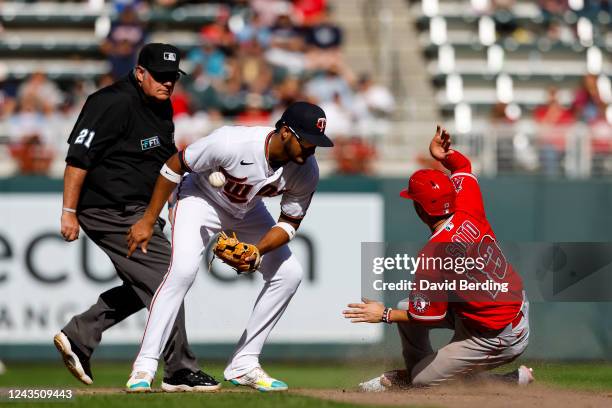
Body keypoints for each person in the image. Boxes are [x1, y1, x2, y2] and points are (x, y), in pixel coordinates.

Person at [125, 101, 334, 392]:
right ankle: (144, 367)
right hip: (200, 198)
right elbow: (174, 165)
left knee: (290, 274)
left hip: (247, 209)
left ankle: (244, 364)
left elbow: (289, 223)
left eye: (317, 144)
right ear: (286, 132)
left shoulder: (306, 170)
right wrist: (149, 219)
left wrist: (258, 250)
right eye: (308, 142)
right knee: (182, 272)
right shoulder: (232, 142)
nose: (312, 150)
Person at [54, 43, 220, 393]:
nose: (166, 83)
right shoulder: (109, 102)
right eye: (159, 76)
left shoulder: (162, 108)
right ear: (139, 72)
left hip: (140, 210)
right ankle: (180, 369)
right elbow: (77, 159)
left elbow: (167, 161)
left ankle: (81, 334)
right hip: (108, 209)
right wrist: (68, 212)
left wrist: (178, 201)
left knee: (147, 285)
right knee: (168, 278)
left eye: (172, 78)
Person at [343, 126, 533, 389]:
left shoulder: (433, 254)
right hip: (497, 310)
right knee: (405, 304)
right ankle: (421, 378)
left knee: (421, 372)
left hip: (497, 334)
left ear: (420, 210)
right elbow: (463, 166)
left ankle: (429, 381)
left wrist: (384, 314)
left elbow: (428, 316)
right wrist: (445, 155)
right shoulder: (468, 204)